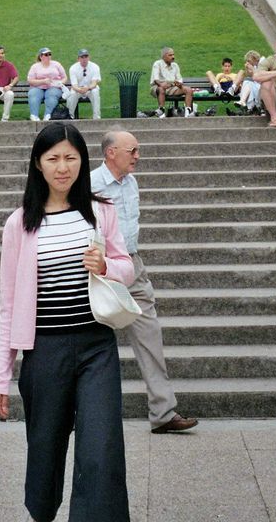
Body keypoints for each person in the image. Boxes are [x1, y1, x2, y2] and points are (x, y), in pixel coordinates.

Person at [0, 123, 133, 522]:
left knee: (100, 449)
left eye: (71, 158)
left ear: (82, 162)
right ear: (38, 164)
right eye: (53, 158)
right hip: (44, 350)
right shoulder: (20, 224)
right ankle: (42, 512)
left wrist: (107, 265)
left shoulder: (100, 212)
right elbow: (9, 303)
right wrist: (0, 374)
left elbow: (127, 266)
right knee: (45, 450)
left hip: (96, 347)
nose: (62, 167)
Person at [91, 129, 198, 434]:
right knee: (92, 340)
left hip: (133, 265)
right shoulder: (90, 184)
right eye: (132, 150)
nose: (138, 156)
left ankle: (163, 412)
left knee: (150, 335)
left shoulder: (131, 181)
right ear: (111, 153)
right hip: (101, 268)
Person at [150, 47, 196, 117]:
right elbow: (156, 80)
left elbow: (179, 80)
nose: (173, 57)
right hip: (158, 87)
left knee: (189, 90)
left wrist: (176, 84)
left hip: (172, 87)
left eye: (173, 55)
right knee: (161, 89)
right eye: (170, 55)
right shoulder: (157, 64)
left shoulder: (175, 65)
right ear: (164, 56)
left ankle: (188, 112)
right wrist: (162, 85)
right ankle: (161, 110)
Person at [27, 48, 68, 121]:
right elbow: (30, 80)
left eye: (49, 54)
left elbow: (64, 77)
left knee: (51, 94)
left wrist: (60, 83)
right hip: (38, 87)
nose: (48, 56)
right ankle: (34, 115)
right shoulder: (35, 67)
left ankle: (48, 115)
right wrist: (43, 81)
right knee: (33, 93)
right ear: (41, 56)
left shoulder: (57, 64)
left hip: (54, 87)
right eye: (46, 55)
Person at [65, 49, 101, 119]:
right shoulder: (73, 68)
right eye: (82, 57)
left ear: (89, 57)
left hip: (90, 88)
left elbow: (94, 83)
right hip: (78, 89)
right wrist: (79, 89)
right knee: (72, 94)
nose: (84, 59)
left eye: (86, 56)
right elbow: (74, 85)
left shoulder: (95, 67)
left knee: (95, 92)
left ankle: (96, 117)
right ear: (78, 59)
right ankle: (69, 117)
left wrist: (87, 88)